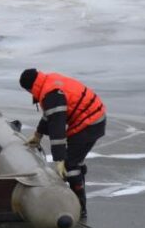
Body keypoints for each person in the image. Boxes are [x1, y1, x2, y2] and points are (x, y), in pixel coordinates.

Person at [20, 68, 106, 218]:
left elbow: (57, 128)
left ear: (30, 88)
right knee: (74, 162)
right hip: (91, 119)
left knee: (70, 166)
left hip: (89, 123)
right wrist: (38, 135)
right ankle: (77, 180)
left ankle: (79, 208)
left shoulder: (51, 94)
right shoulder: (49, 83)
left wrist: (59, 159)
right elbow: (50, 115)